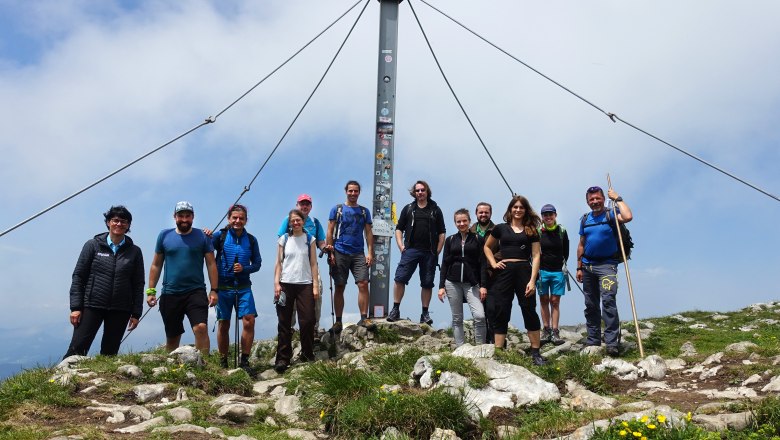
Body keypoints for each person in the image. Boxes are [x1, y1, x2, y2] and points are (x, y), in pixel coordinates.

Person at [64, 206, 144, 358]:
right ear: (108, 223)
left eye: (123, 221)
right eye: (115, 220)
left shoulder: (135, 251)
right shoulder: (92, 245)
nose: (119, 224)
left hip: (121, 308)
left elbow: (138, 283)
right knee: (77, 349)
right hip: (92, 305)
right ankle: (61, 380)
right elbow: (79, 276)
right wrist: (75, 307)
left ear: (128, 225)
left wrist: (136, 313)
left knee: (109, 353)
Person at [146, 201, 218, 356]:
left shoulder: (203, 236)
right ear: (174, 217)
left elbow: (211, 264)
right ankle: (171, 367)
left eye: (188, 216)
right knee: (172, 337)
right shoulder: (164, 235)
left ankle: (204, 366)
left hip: (196, 291)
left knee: (201, 328)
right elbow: (156, 265)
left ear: (193, 217)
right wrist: (151, 291)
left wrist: (214, 290)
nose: (184, 219)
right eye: (181, 216)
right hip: (170, 292)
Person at [484, 195, 546, 365]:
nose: (518, 210)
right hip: (504, 273)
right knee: (501, 309)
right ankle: (498, 352)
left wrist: (533, 280)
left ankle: (535, 353)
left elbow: (536, 255)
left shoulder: (531, 229)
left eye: (521, 207)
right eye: (515, 207)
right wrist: (493, 263)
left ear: (525, 210)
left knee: (529, 309)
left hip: (524, 272)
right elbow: (487, 247)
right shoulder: (500, 228)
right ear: (510, 209)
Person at [576, 186, 633, 357]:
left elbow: (628, 216)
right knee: (591, 304)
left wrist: (618, 198)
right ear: (587, 202)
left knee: (608, 301)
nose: (595, 202)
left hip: (607, 265)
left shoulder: (611, 214)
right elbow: (581, 244)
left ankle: (611, 342)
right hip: (587, 266)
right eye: (591, 200)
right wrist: (579, 267)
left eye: (597, 199)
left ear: (603, 199)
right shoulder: (585, 219)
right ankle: (593, 339)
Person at [204, 204, 261, 370]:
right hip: (223, 287)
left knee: (249, 321)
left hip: (243, 286)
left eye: (241, 218)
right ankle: (223, 362)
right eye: (234, 218)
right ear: (229, 218)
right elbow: (204, 247)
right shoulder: (219, 237)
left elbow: (257, 263)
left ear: (246, 220)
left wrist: (245, 269)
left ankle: (244, 361)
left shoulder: (251, 239)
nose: (237, 221)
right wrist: (206, 235)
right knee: (224, 323)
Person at [387, 180, 446, 325]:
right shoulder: (408, 209)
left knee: (427, 283)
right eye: (417, 190)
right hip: (411, 250)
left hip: (429, 252)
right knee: (399, 278)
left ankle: (425, 314)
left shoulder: (435, 210)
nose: (420, 193)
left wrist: (437, 250)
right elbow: (399, 228)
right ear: (414, 193)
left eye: (422, 190)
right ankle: (395, 309)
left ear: (427, 192)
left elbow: (442, 232)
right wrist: (401, 246)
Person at [273, 209, 320, 373]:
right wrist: (276, 284)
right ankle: (282, 359)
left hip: (305, 283)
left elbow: (314, 263)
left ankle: (307, 354)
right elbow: (278, 263)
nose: (295, 223)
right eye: (292, 221)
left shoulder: (310, 239)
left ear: (302, 221)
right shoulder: (284, 239)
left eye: (298, 220)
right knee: (284, 322)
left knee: (307, 320)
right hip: (286, 283)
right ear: (289, 223)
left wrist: (315, 286)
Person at [325, 181, 375, 332]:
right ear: (346, 191)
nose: (353, 194)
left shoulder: (364, 211)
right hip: (340, 251)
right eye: (350, 191)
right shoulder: (337, 209)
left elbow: (368, 233)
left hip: (358, 252)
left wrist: (370, 252)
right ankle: (339, 321)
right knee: (340, 286)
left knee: (363, 283)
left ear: (359, 192)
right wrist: (331, 252)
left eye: (356, 191)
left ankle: (364, 318)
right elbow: (330, 230)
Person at [277, 194, 328, 339]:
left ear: (311, 207)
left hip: (311, 267)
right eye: (302, 203)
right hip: (290, 268)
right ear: (297, 205)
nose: (304, 206)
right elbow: (280, 240)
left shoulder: (315, 223)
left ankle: (313, 328)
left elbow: (321, 242)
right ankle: (290, 328)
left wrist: (325, 248)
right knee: (289, 301)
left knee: (316, 297)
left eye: (307, 204)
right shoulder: (288, 221)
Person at [437, 209, 487, 346]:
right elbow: (445, 264)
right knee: (457, 318)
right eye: (458, 221)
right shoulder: (450, 240)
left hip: (471, 283)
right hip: (452, 282)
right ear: (455, 223)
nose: (462, 223)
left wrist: (483, 285)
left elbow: (483, 263)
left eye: (464, 221)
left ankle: (481, 349)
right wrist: (441, 287)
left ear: (469, 221)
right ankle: (460, 348)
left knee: (479, 316)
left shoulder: (478, 239)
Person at [537, 204, 569, 346]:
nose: (548, 217)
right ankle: (546, 329)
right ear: (542, 217)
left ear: (555, 215)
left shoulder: (562, 231)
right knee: (544, 300)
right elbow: (534, 251)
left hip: (557, 271)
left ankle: (555, 331)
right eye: (545, 214)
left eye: (550, 214)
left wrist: (562, 265)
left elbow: (566, 251)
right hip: (542, 270)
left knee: (555, 301)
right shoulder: (538, 232)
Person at [470, 201, 496, 343]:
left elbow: (502, 251)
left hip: (493, 274)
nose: (483, 214)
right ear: (476, 214)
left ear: (490, 213)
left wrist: (490, 261)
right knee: (479, 310)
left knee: (492, 309)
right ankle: (483, 340)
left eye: (486, 212)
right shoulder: (470, 231)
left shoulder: (498, 230)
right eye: (481, 212)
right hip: (475, 276)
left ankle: (496, 340)